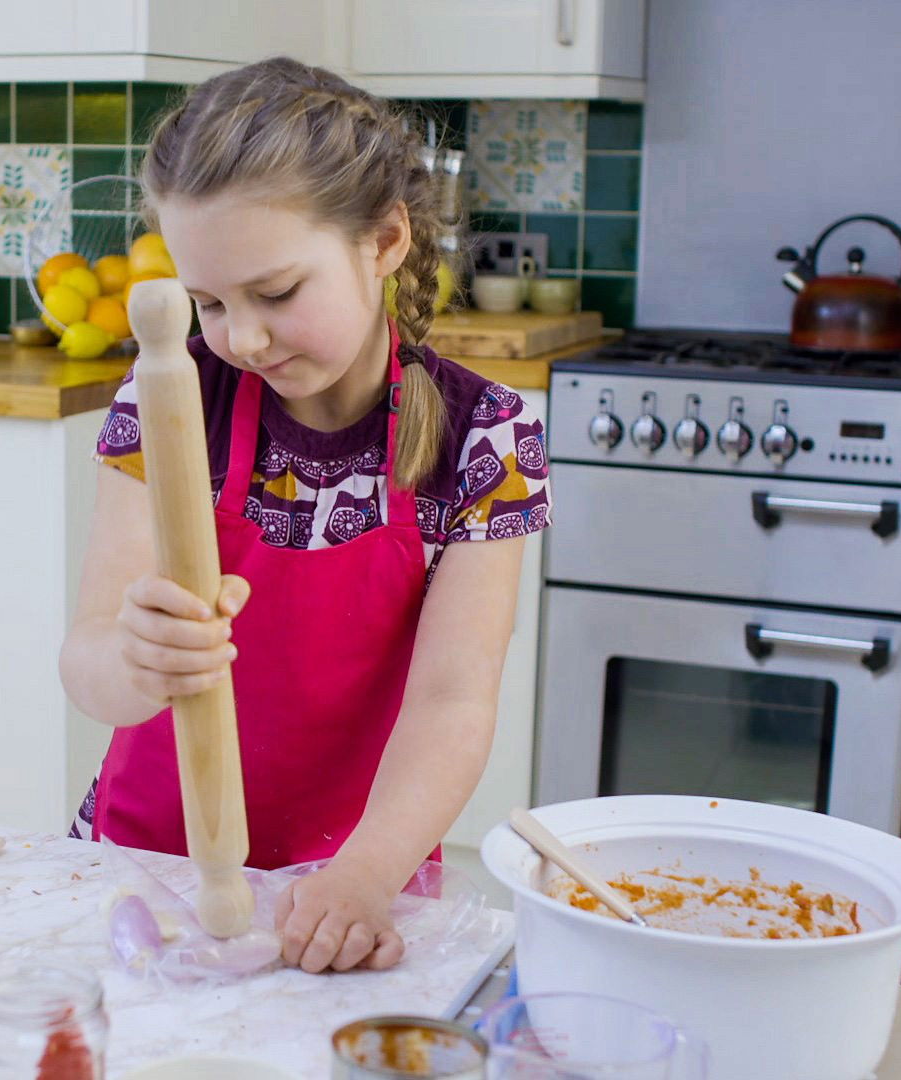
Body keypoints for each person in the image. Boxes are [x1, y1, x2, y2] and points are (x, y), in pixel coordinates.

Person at [57, 57, 551, 975]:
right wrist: (134, 660)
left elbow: (453, 700)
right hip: (148, 872)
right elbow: (87, 663)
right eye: (208, 302)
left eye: (277, 293)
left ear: (386, 239)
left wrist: (364, 877)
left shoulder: (487, 438)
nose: (241, 339)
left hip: (359, 885)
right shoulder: (171, 400)